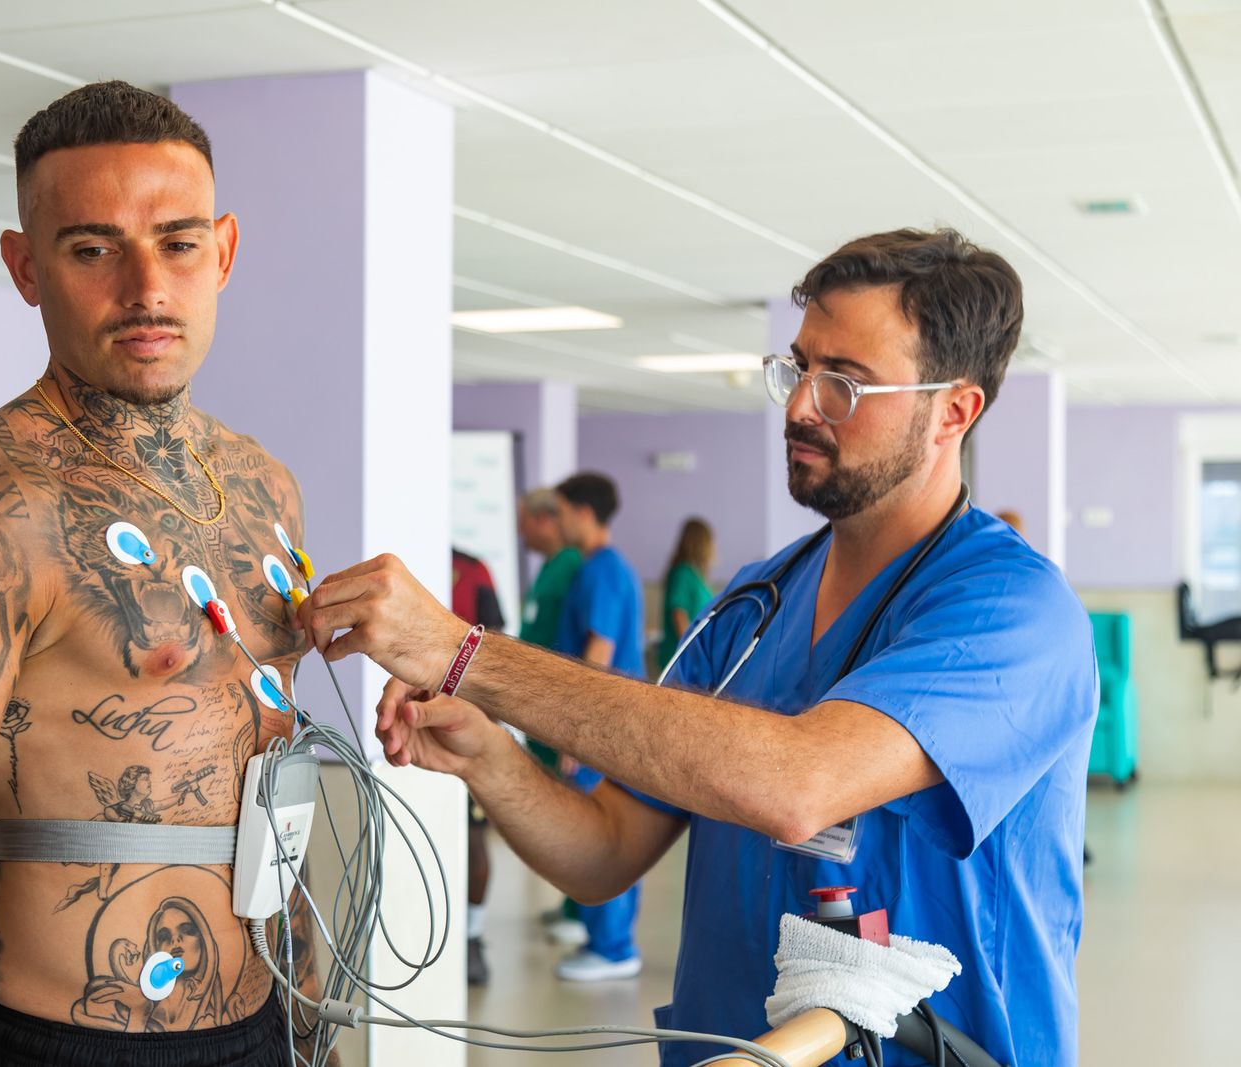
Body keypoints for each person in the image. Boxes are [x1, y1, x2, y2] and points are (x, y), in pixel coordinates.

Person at [297, 228, 1096, 1066]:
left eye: (845, 384)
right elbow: (605, 850)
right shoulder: (755, 603)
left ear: (954, 411)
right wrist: (492, 759)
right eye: (798, 369)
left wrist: (467, 654)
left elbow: (799, 783)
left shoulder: (1014, 613)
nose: (799, 407)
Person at [0, 81, 331, 1067]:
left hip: (261, 1027)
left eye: (179, 243)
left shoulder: (265, 486)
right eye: (93, 248)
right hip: (66, 1039)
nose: (146, 287)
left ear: (223, 251)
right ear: (26, 266)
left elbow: (275, 798)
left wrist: (313, 1036)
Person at [547, 471, 647, 982]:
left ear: (583, 513)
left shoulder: (602, 572)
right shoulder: (603, 568)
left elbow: (600, 652)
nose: (555, 522)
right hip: (612, 722)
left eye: (560, 511)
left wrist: (576, 731)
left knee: (605, 833)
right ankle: (599, 933)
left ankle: (613, 947)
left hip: (605, 727)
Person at [516, 487, 586, 945]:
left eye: (524, 521)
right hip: (538, 709)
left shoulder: (575, 569)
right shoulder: (551, 569)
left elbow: (581, 650)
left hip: (558, 710)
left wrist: (571, 730)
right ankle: (569, 903)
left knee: (575, 813)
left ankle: (584, 912)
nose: (520, 531)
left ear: (544, 520)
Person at [450, 547, 507, 985]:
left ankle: (471, 938)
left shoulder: (473, 570)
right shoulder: (409, 554)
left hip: (467, 725)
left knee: (473, 839)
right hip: (409, 727)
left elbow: (498, 644)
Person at [658, 517, 716, 671]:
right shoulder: (683, 573)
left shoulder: (694, 575)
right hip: (682, 661)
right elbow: (678, 614)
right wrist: (694, 653)